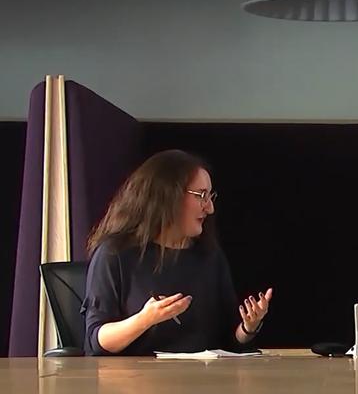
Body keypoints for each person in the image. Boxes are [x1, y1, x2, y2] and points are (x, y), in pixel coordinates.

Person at [82, 150, 272, 355]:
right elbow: (96, 341)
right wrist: (145, 319)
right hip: (135, 382)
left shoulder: (209, 256)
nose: (209, 208)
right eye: (201, 195)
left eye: (210, 196)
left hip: (203, 381)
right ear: (167, 196)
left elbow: (228, 342)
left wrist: (247, 328)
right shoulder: (115, 254)